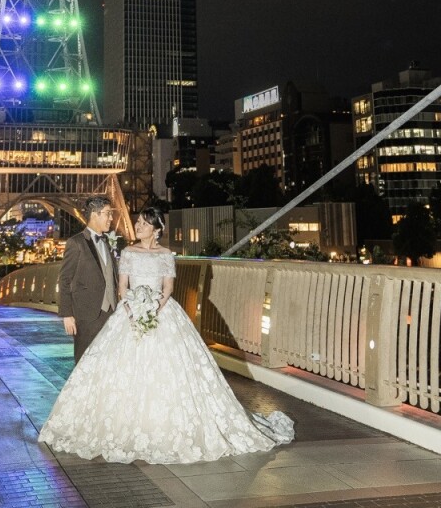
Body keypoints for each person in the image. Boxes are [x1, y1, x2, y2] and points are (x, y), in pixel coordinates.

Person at [39, 206, 293, 464]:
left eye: (144, 223)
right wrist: (134, 309)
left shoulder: (165, 255)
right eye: (137, 222)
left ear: (156, 230)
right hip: (130, 315)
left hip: (163, 313)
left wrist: (153, 309)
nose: (138, 226)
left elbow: (168, 288)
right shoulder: (127, 253)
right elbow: (122, 288)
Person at [57, 194, 118, 363]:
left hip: (111, 313)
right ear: (94, 214)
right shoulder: (75, 243)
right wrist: (67, 314)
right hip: (87, 316)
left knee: (107, 363)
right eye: (107, 213)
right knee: (85, 363)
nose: (111, 218)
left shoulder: (107, 242)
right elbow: (65, 279)